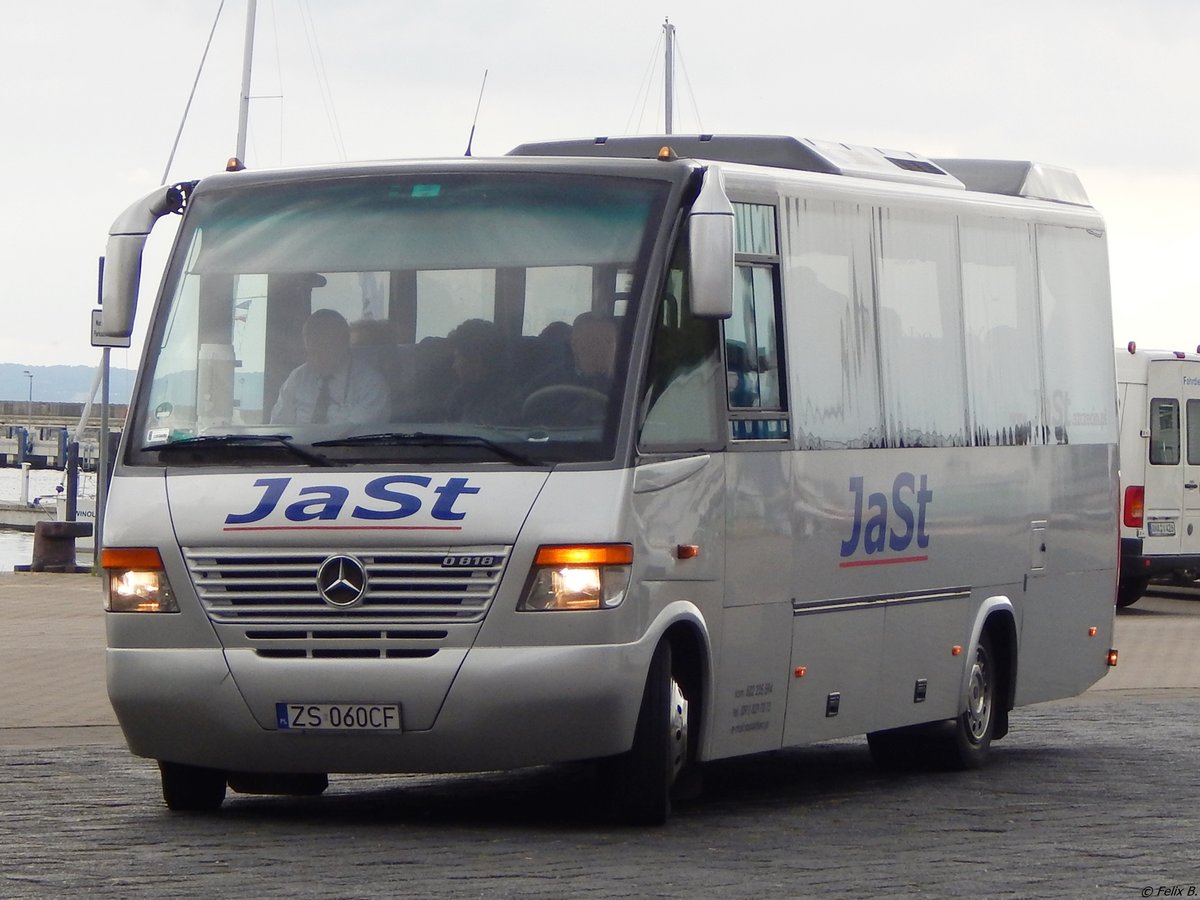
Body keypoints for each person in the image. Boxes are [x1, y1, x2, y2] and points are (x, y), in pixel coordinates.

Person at [270, 309, 389, 425]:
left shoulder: (370, 383)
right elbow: (278, 426)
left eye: (325, 342)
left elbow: (358, 433)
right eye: (312, 342)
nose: (318, 349)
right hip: (293, 445)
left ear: (344, 341)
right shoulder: (297, 378)